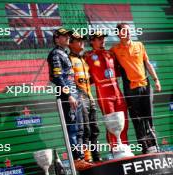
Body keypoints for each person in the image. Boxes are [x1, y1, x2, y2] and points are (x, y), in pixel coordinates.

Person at [111, 23, 161, 154]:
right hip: (131, 89)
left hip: (146, 86)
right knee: (137, 119)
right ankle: (145, 148)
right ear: (118, 34)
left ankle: (155, 147)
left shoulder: (139, 45)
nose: (127, 33)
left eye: (128, 30)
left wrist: (156, 80)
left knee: (149, 117)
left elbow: (147, 63)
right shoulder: (115, 50)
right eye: (124, 31)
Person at [47, 28, 90, 170]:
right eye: (64, 36)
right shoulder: (55, 54)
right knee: (72, 128)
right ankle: (76, 160)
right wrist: (69, 95)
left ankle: (81, 159)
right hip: (67, 96)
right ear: (56, 38)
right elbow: (57, 77)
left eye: (67, 36)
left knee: (79, 129)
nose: (67, 39)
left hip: (73, 94)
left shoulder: (63, 53)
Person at [84, 31, 129, 151]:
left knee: (124, 122)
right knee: (112, 123)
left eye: (103, 38)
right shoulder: (87, 56)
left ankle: (125, 148)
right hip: (103, 93)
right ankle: (115, 150)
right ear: (92, 41)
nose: (102, 40)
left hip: (117, 92)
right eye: (99, 39)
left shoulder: (111, 53)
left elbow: (120, 70)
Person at [68, 33, 101, 163]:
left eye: (82, 40)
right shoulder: (68, 59)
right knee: (85, 128)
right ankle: (87, 158)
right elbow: (69, 81)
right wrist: (77, 94)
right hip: (80, 96)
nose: (82, 43)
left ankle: (96, 156)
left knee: (95, 128)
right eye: (78, 41)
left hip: (90, 96)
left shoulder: (83, 59)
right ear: (71, 43)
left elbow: (88, 79)